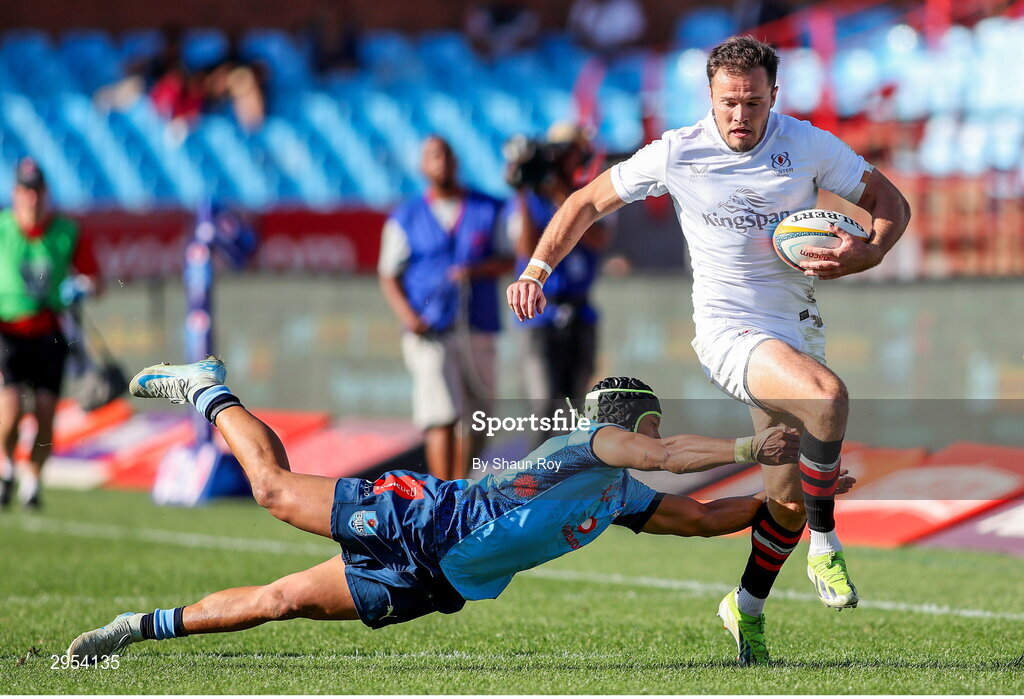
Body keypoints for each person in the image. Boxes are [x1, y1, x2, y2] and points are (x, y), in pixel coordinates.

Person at [507, 36, 911, 665]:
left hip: (796, 328)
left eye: (752, 102)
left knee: (786, 498)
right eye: (728, 102)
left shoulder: (803, 143)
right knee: (828, 398)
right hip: (728, 331)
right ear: (710, 97)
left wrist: (873, 248)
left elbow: (890, 201)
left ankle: (744, 608)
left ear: (773, 96)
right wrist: (536, 269)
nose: (739, 116)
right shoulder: (678, 152)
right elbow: (586, 200)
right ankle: (828, 545)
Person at [65, 357, 856, 663]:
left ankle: (135, 627)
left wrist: (805, 493)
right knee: (272, 489)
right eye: (647, 425)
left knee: (283, 602)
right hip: (421, 518)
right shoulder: (598, 442)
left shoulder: (617, 495)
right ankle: (208, 388)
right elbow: (665, 455)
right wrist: (752, 448)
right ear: (628, 419)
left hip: (436, 581)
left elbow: (708, 519)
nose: (647, 437)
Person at [378, 136, 512, 480]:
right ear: (422, 166)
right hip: (430, 328)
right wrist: (410, 317)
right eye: (433, 156)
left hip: (477, 325)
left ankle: (461, 483)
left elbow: (510, 258)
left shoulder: (488, 207)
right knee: (441, 413)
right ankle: (444, 495)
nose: (441, 162)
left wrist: (475, 271)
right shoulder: (406, 216)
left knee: (479, 417)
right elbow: (388, 274)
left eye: (447, 155)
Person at [0, 158, 100, 510]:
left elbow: (96, 279)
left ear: (46, 193)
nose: (32, 198)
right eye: (26, 190)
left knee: (45, 412)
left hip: (48, 332)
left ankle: (31, 480)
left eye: (38, 190)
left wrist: (82, 286)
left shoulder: (66, 232)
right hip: (8, 331)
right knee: (10, 409)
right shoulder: (2, 229)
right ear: (15, 193)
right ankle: (6, 465)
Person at [505, 124, 607, 445]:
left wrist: (566, 197)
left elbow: (598, 238)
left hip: (579, 311)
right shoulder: (531, 198)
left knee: (575, 405)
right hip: (539, 314)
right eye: (562, 149)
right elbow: (523, 248)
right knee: (544, 404)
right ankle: (537, 480)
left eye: (572, 149)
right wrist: (523, 188)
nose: (567, 156)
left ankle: (569, 479)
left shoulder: (591, 191)